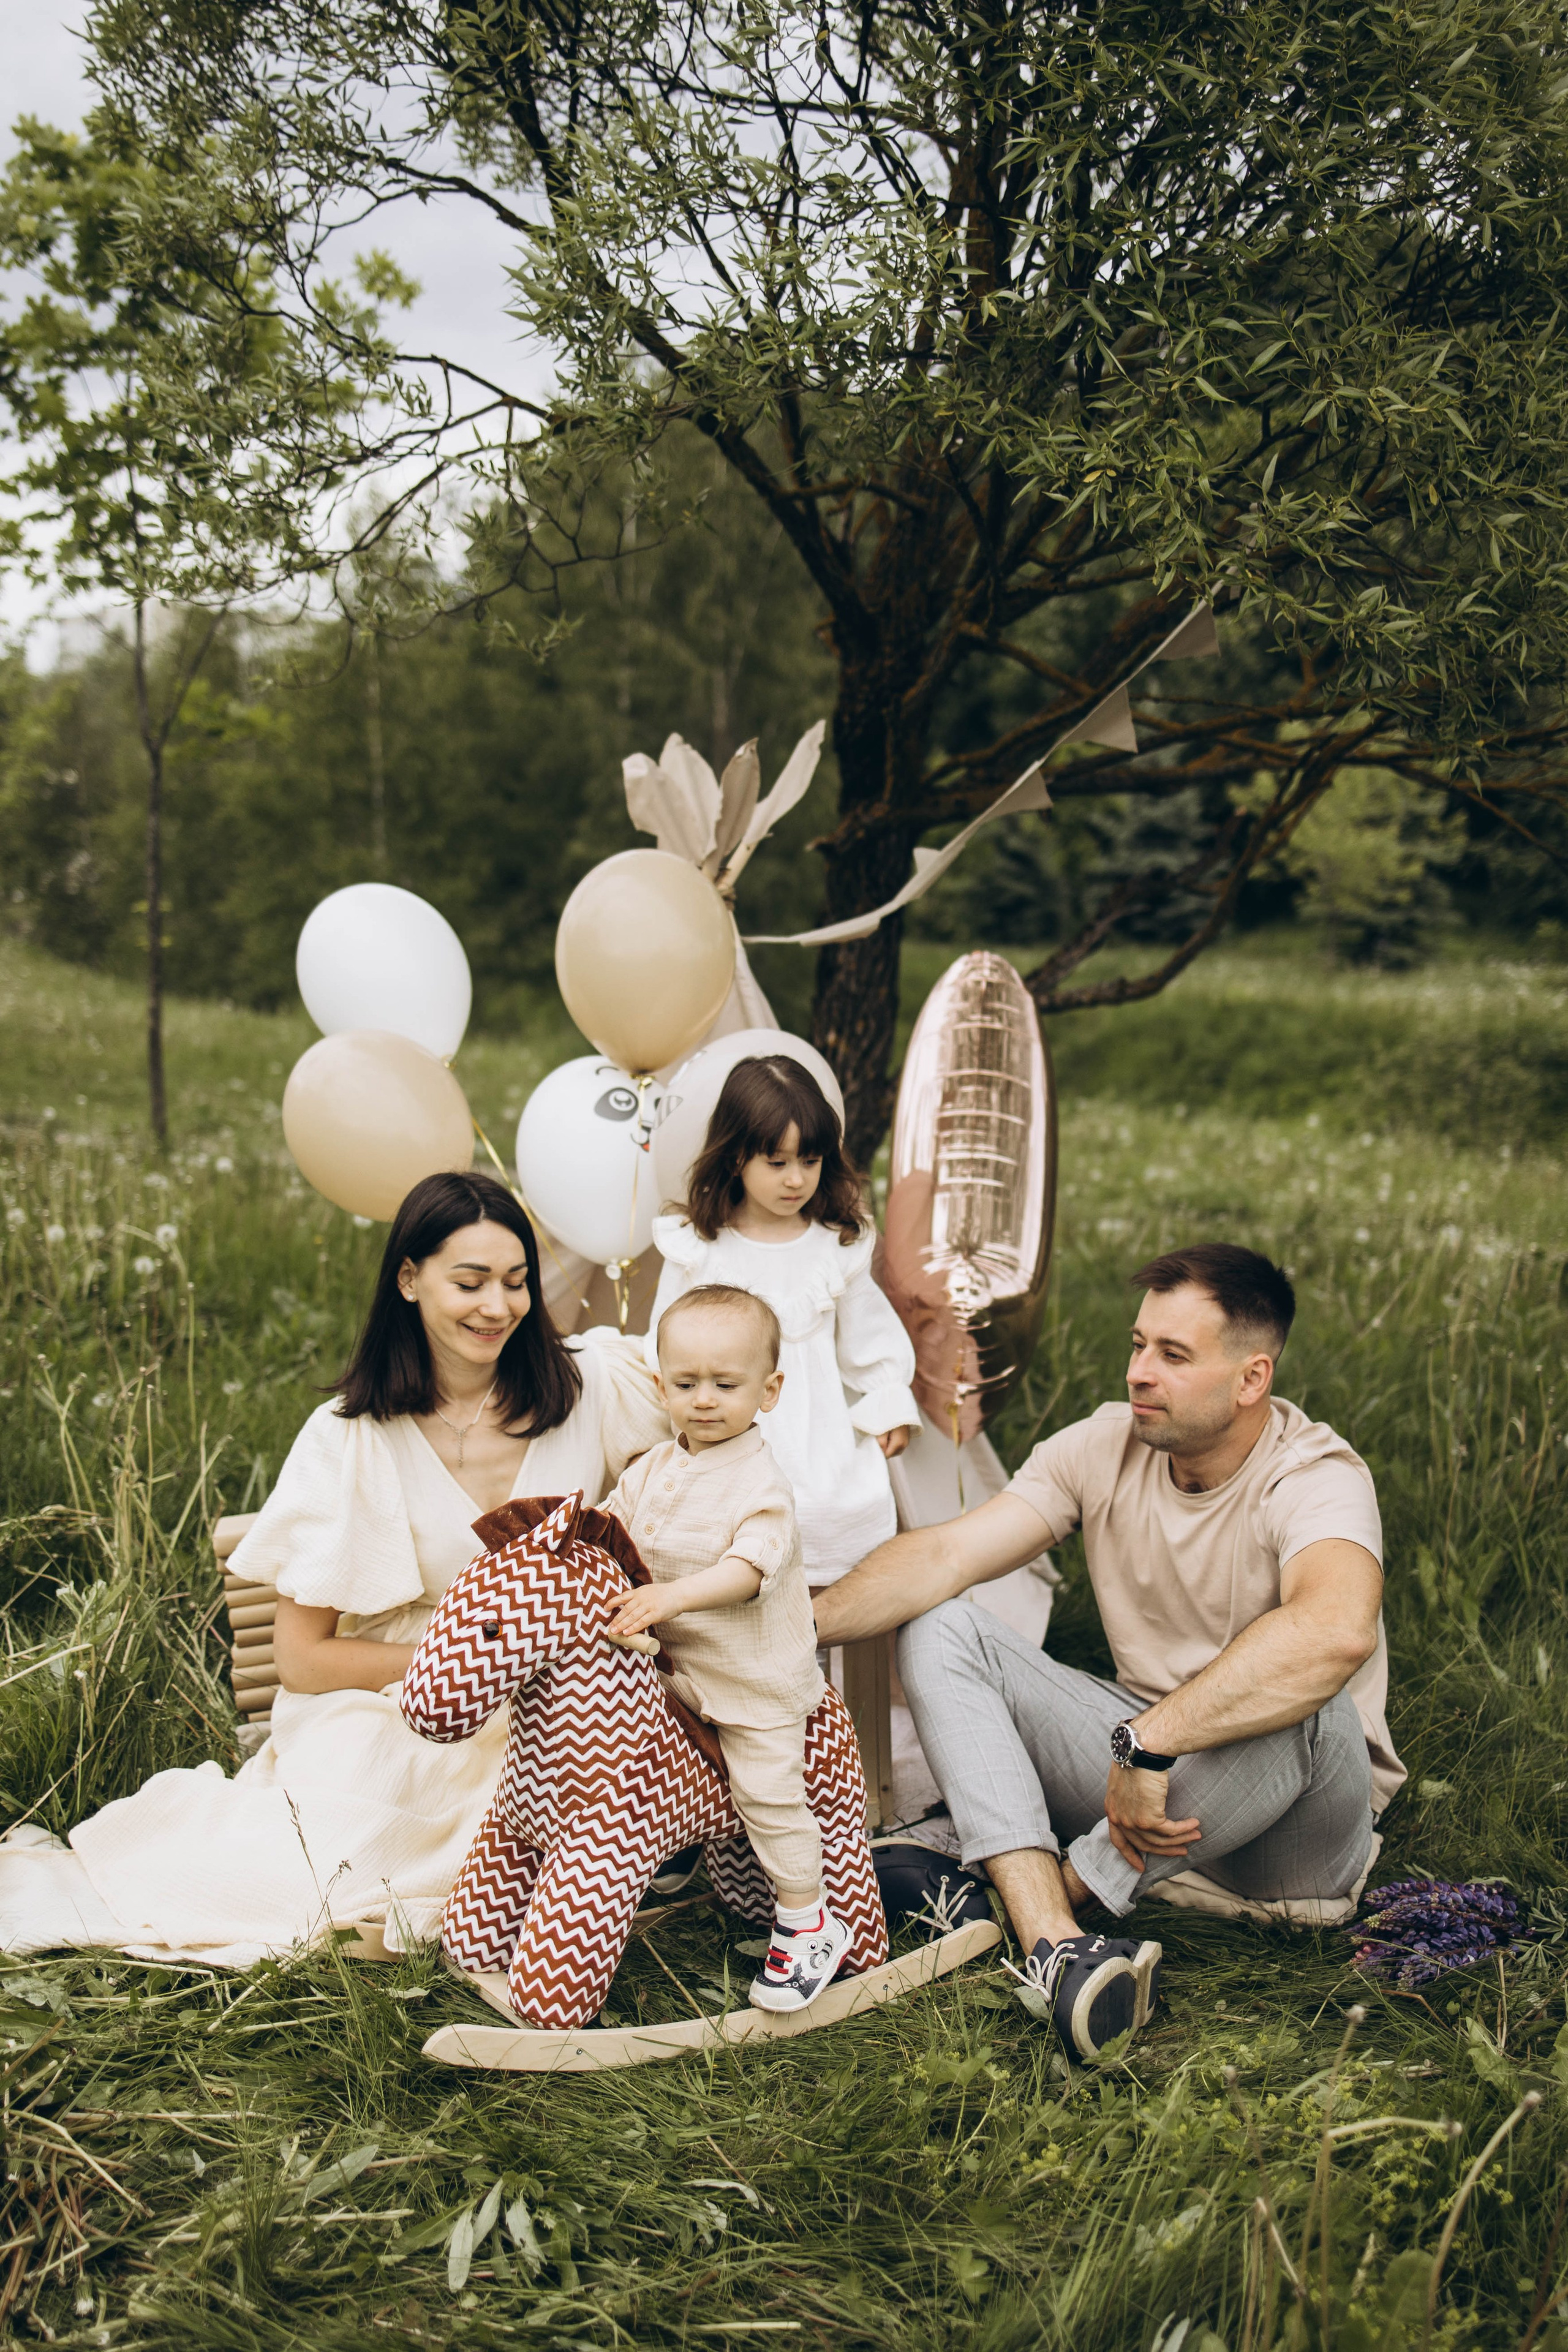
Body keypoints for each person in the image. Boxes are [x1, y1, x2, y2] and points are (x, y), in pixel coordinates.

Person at [0, 1172, 669, 1966]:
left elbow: (713, 1456)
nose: (499, 1306)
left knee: (557, 1801)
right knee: (331, 1864)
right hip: (398, 1704)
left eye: (517, 1281)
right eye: (470, 1281)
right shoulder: (351, 1437)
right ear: (410, 1278)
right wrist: (464, 1671)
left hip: (567, 1694)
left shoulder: (593, 1387)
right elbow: (303, 1658)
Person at [813, 1244, 1401, 2060]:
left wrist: (1149, 1744)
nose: (1138, 1373)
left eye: (1172, 1355)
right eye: (1137, 1345)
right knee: (941, 1622)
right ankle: (1056, 1943)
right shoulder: (1105, 1444)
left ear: (1251, 1380)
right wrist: (797, 1628)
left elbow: (1336, 1630)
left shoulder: (1315, 1474)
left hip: (1291, 1839)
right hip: (1141, 1778)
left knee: (1307, 1687)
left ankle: (1051, 1880)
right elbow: (946, 1556)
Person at [601, 1283, 846, 2012]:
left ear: (767, 1391)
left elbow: (750, 1569)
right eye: (685, 1383)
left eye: (725, 1384)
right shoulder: (651, 1467)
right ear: (659, 1385)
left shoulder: (759, 1481)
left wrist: (669, 1598)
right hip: (674, 1673)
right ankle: (670, 1852)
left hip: (751, 1682)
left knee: (768, 1794)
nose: (704, 1399)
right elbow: (611, 1525)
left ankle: (808, 1922)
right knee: (621, 1745)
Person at [646, 1055, 920, 1589]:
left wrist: (887, 1400)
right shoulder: (700, 1247)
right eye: (777, 1162)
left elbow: (872, 1340)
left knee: (826, 1518)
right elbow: (664, 1341)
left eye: (811, 1160)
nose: (797, 1179)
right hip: (726, 1433)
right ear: (735, 1158)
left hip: (819, 1439)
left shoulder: (836, 1245)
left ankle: (823, 1652)